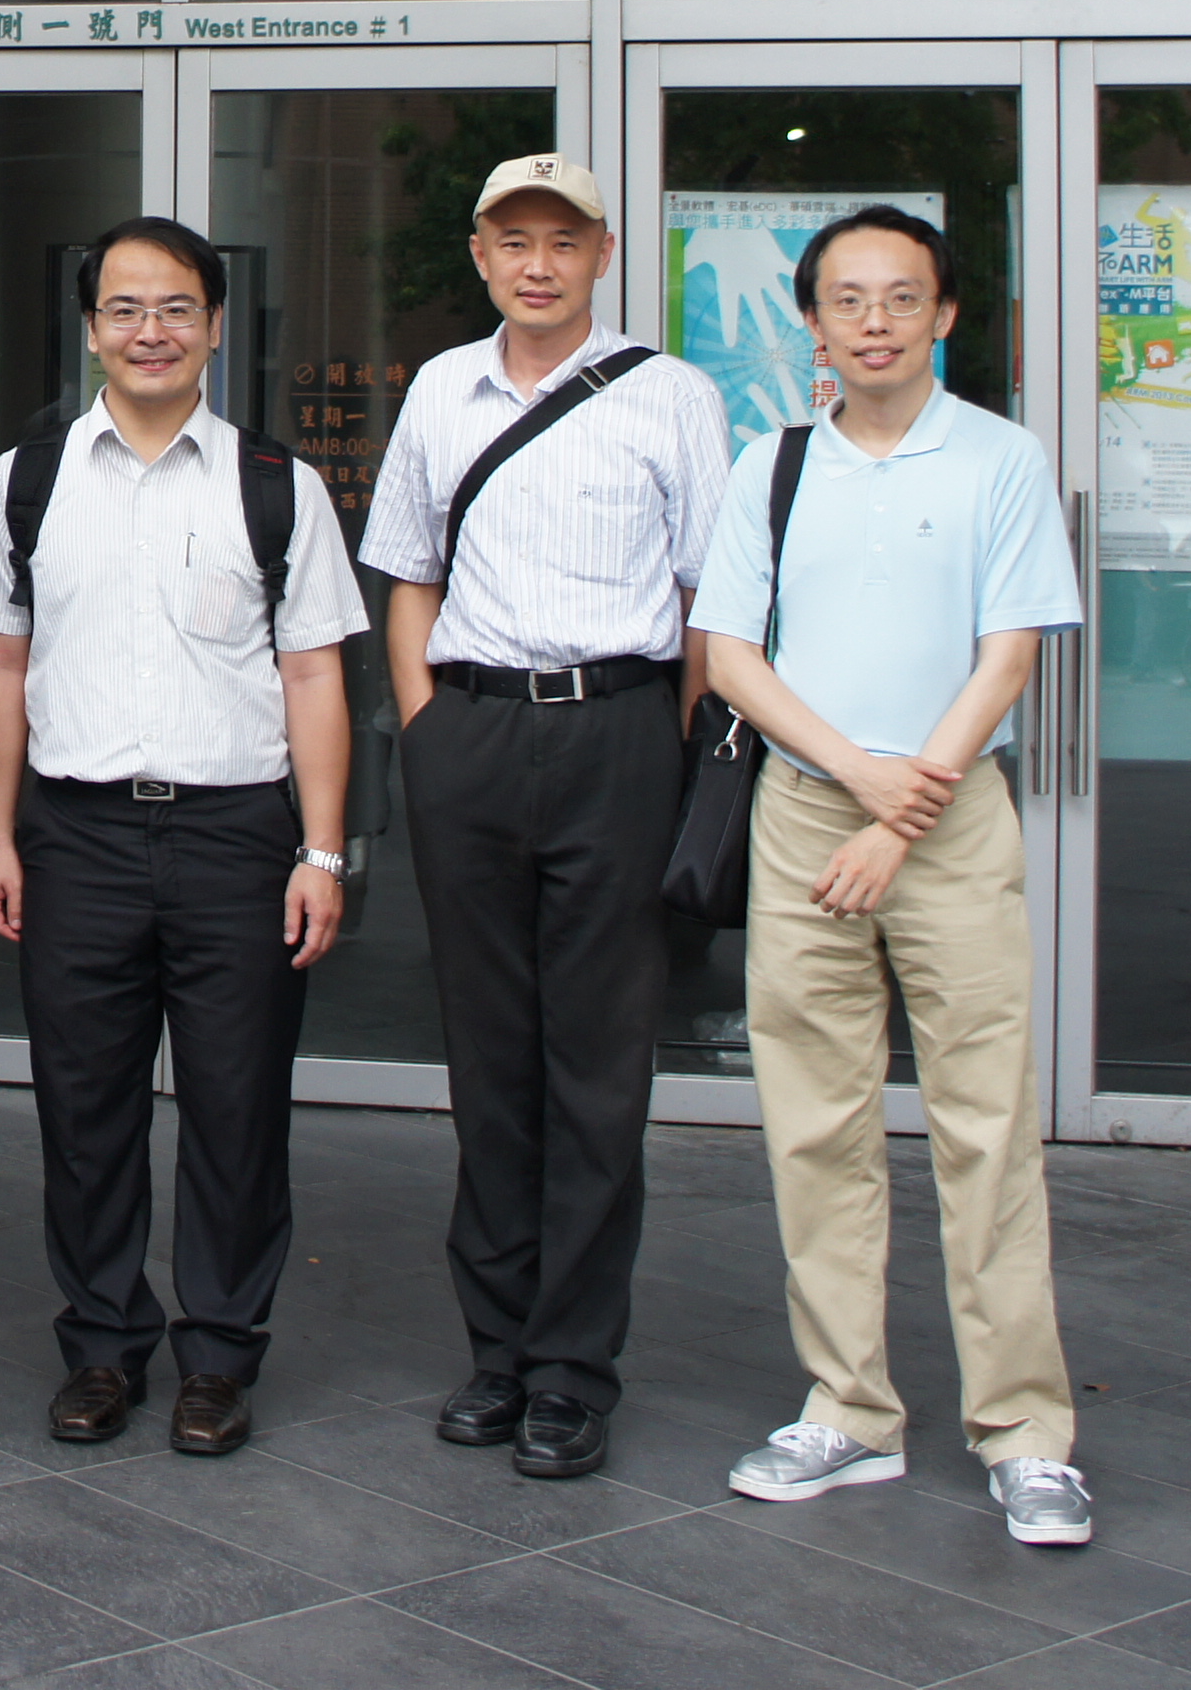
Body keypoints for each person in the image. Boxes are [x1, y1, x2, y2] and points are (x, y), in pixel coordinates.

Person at [691, 206, 1092, 1547]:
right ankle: (848, 1408)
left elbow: (1007, 654)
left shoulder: (999, 457)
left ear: (944, 315)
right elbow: (731, 655)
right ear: (811, 321)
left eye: (901, 297)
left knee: (986, 1124)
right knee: (814, 1121)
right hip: (806, 813)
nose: (873, 321)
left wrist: (901, 804)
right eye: (848, 299)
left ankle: (1025, 1433)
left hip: (948, 815)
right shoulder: (771, 464)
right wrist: (854, 781)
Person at [0, 218, 363, 1460]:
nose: (150, 330)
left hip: (237, 835)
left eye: (176, 307)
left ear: (214, 325)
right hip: (74, 831)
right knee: (84, 1108)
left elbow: (313, 677)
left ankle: (219, 1355)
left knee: (237, 1109)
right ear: (90, 328)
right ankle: (100, 1343)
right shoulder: (25, 478)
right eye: (125, 308)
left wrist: (321, 851)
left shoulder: (273, 484)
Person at [359, 153, 731, 1481]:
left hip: (618, 731)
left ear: (601, 254)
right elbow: (407, 573)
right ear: (479, 254)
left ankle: (572, 1369)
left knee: (597, 1068)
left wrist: (672, 751)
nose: (536, 262)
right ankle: (498, 1351)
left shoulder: (671, 395)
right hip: (470, 732)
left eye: (561, 240)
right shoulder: (438, 393)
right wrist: (426, 730)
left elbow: (706, 598)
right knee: (489, 1059)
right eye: (512, 238)